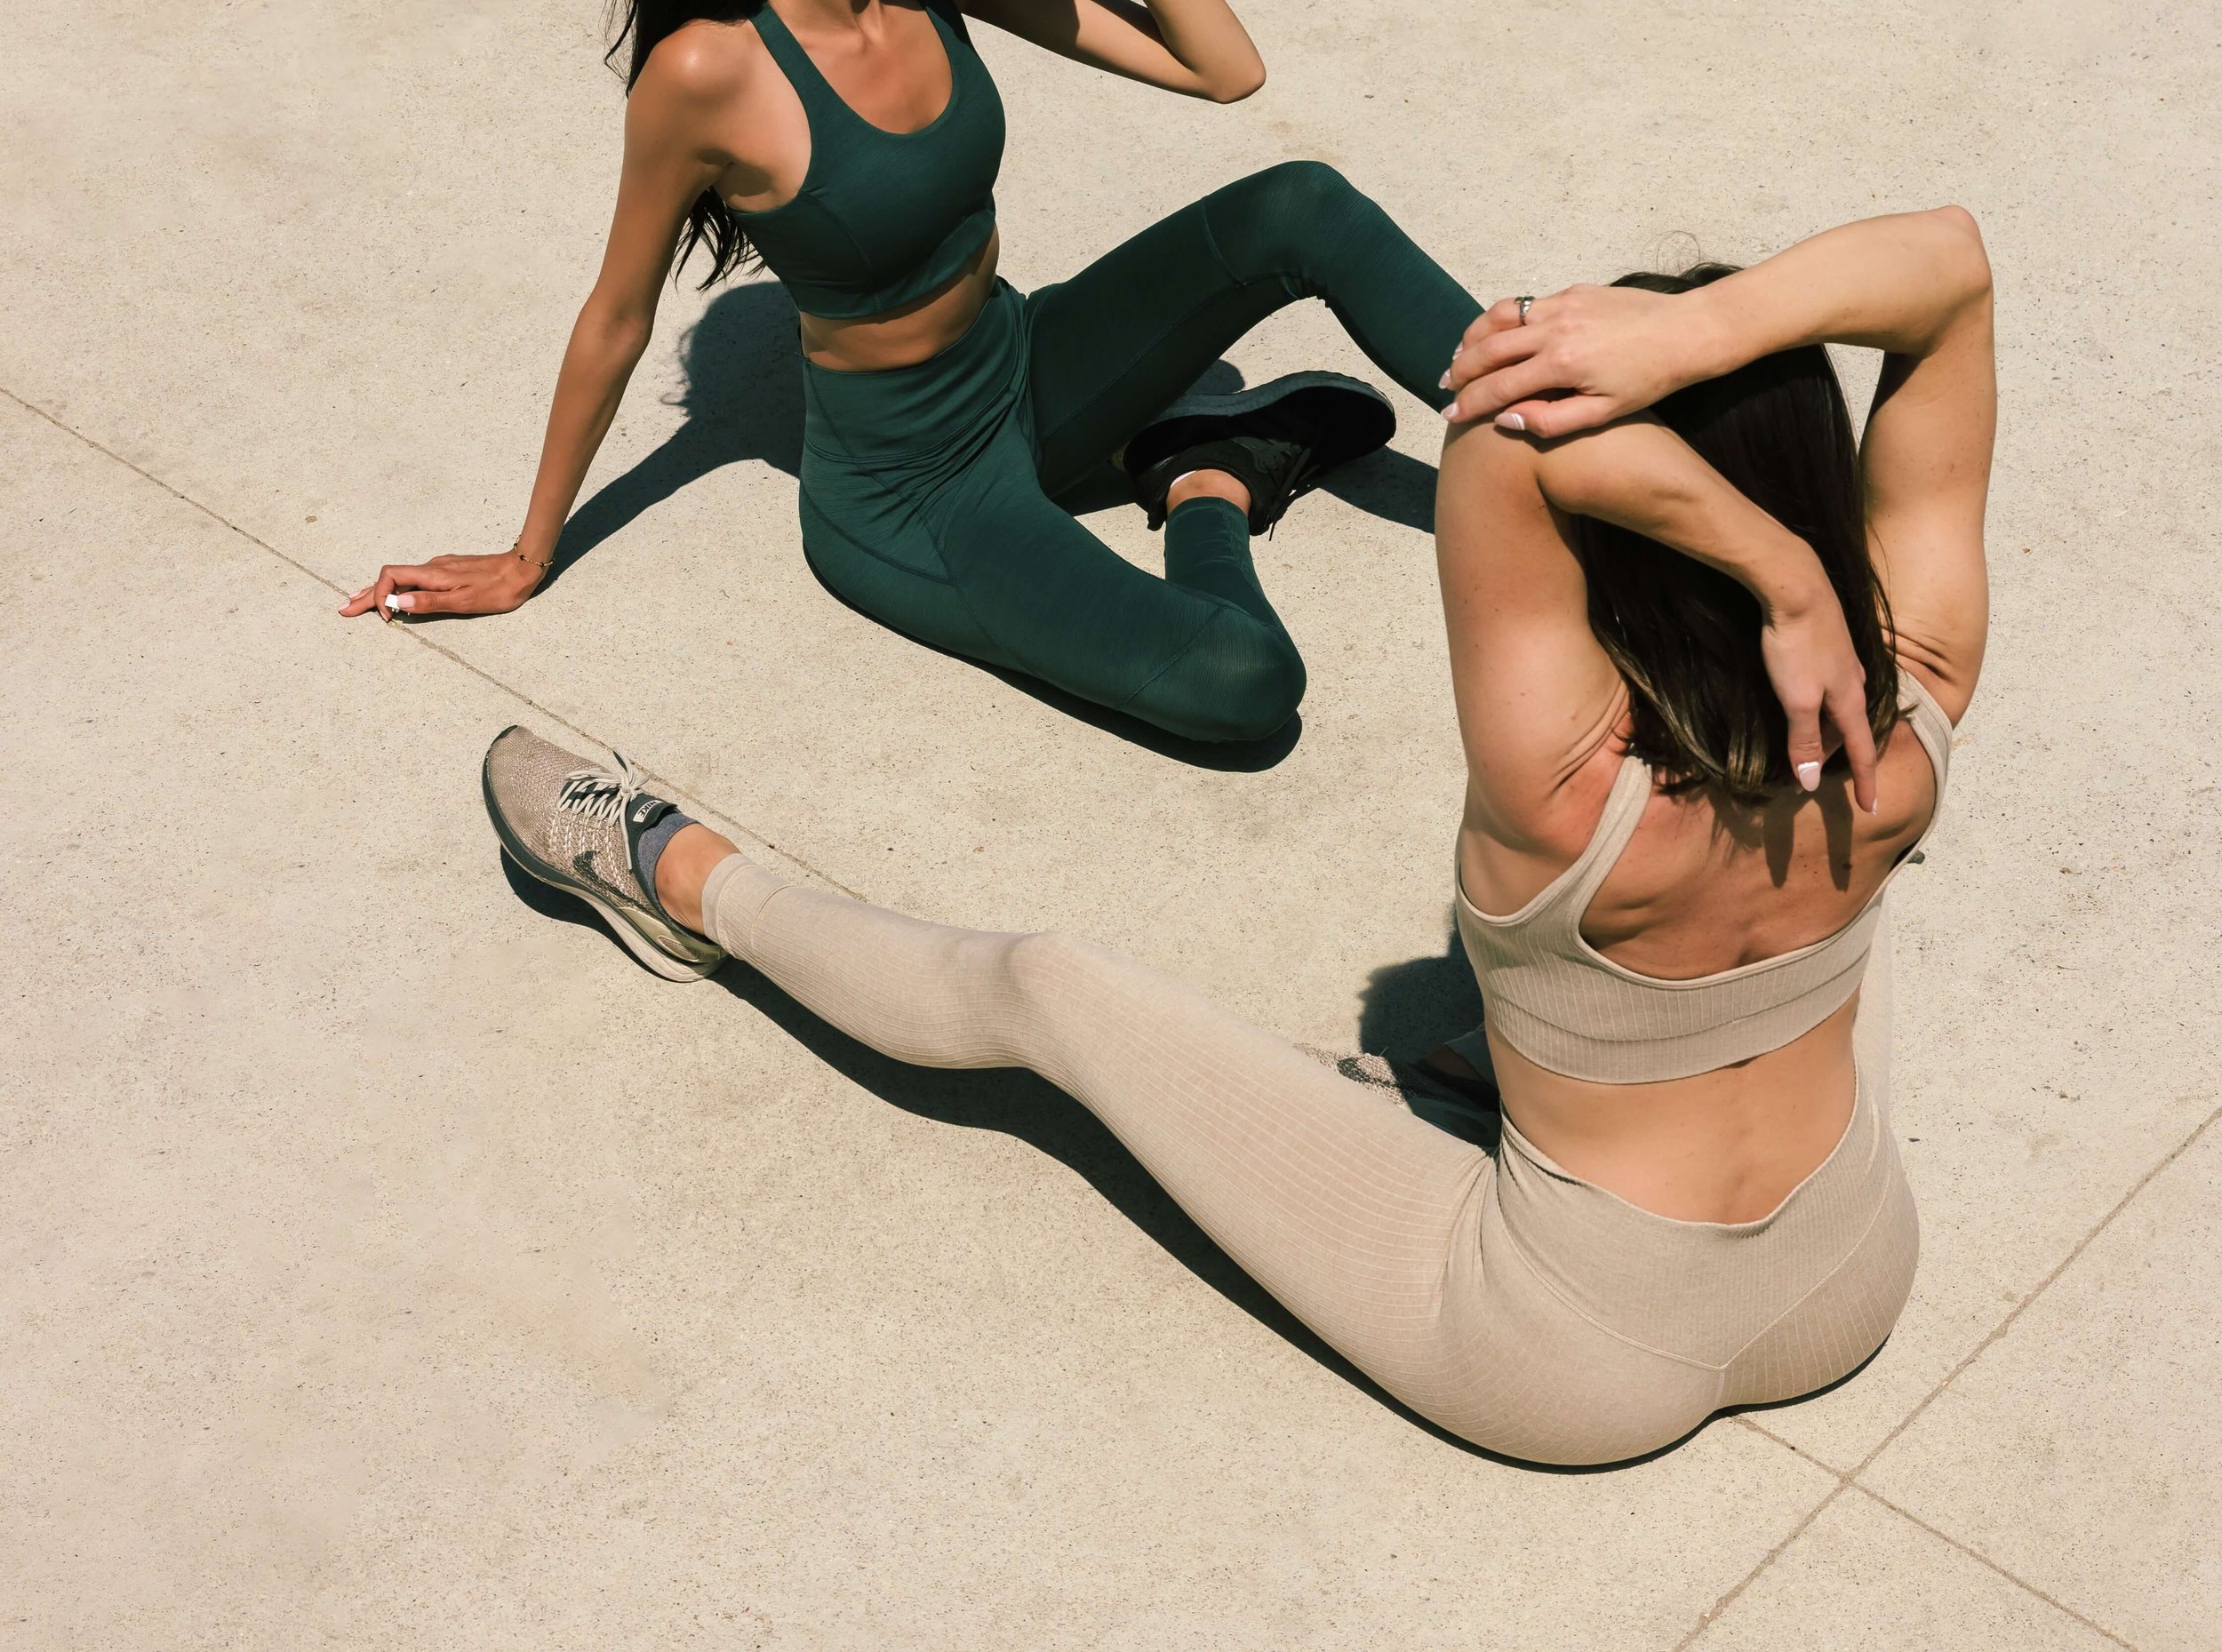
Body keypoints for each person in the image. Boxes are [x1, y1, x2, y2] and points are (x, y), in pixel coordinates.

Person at [476, 206, 1994, 1465]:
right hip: (1852, 1269)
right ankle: (1504, 1064)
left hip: (1571, 1350)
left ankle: (668, 871)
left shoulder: (1568, 776)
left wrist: (1766, 559)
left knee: (1047, 987)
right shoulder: (1914, 700)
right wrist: (1730, 366)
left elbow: (1497, 424)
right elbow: (1951, 267)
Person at [346, 0, 1482, 740]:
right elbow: (615, 315)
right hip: (915, 490)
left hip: (1026, 361)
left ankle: (1568, 446)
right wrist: (527, 552)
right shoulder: (709, 72)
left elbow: (1222, 70)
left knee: (1303, 205)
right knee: (1244, 683)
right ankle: (1209, 477)